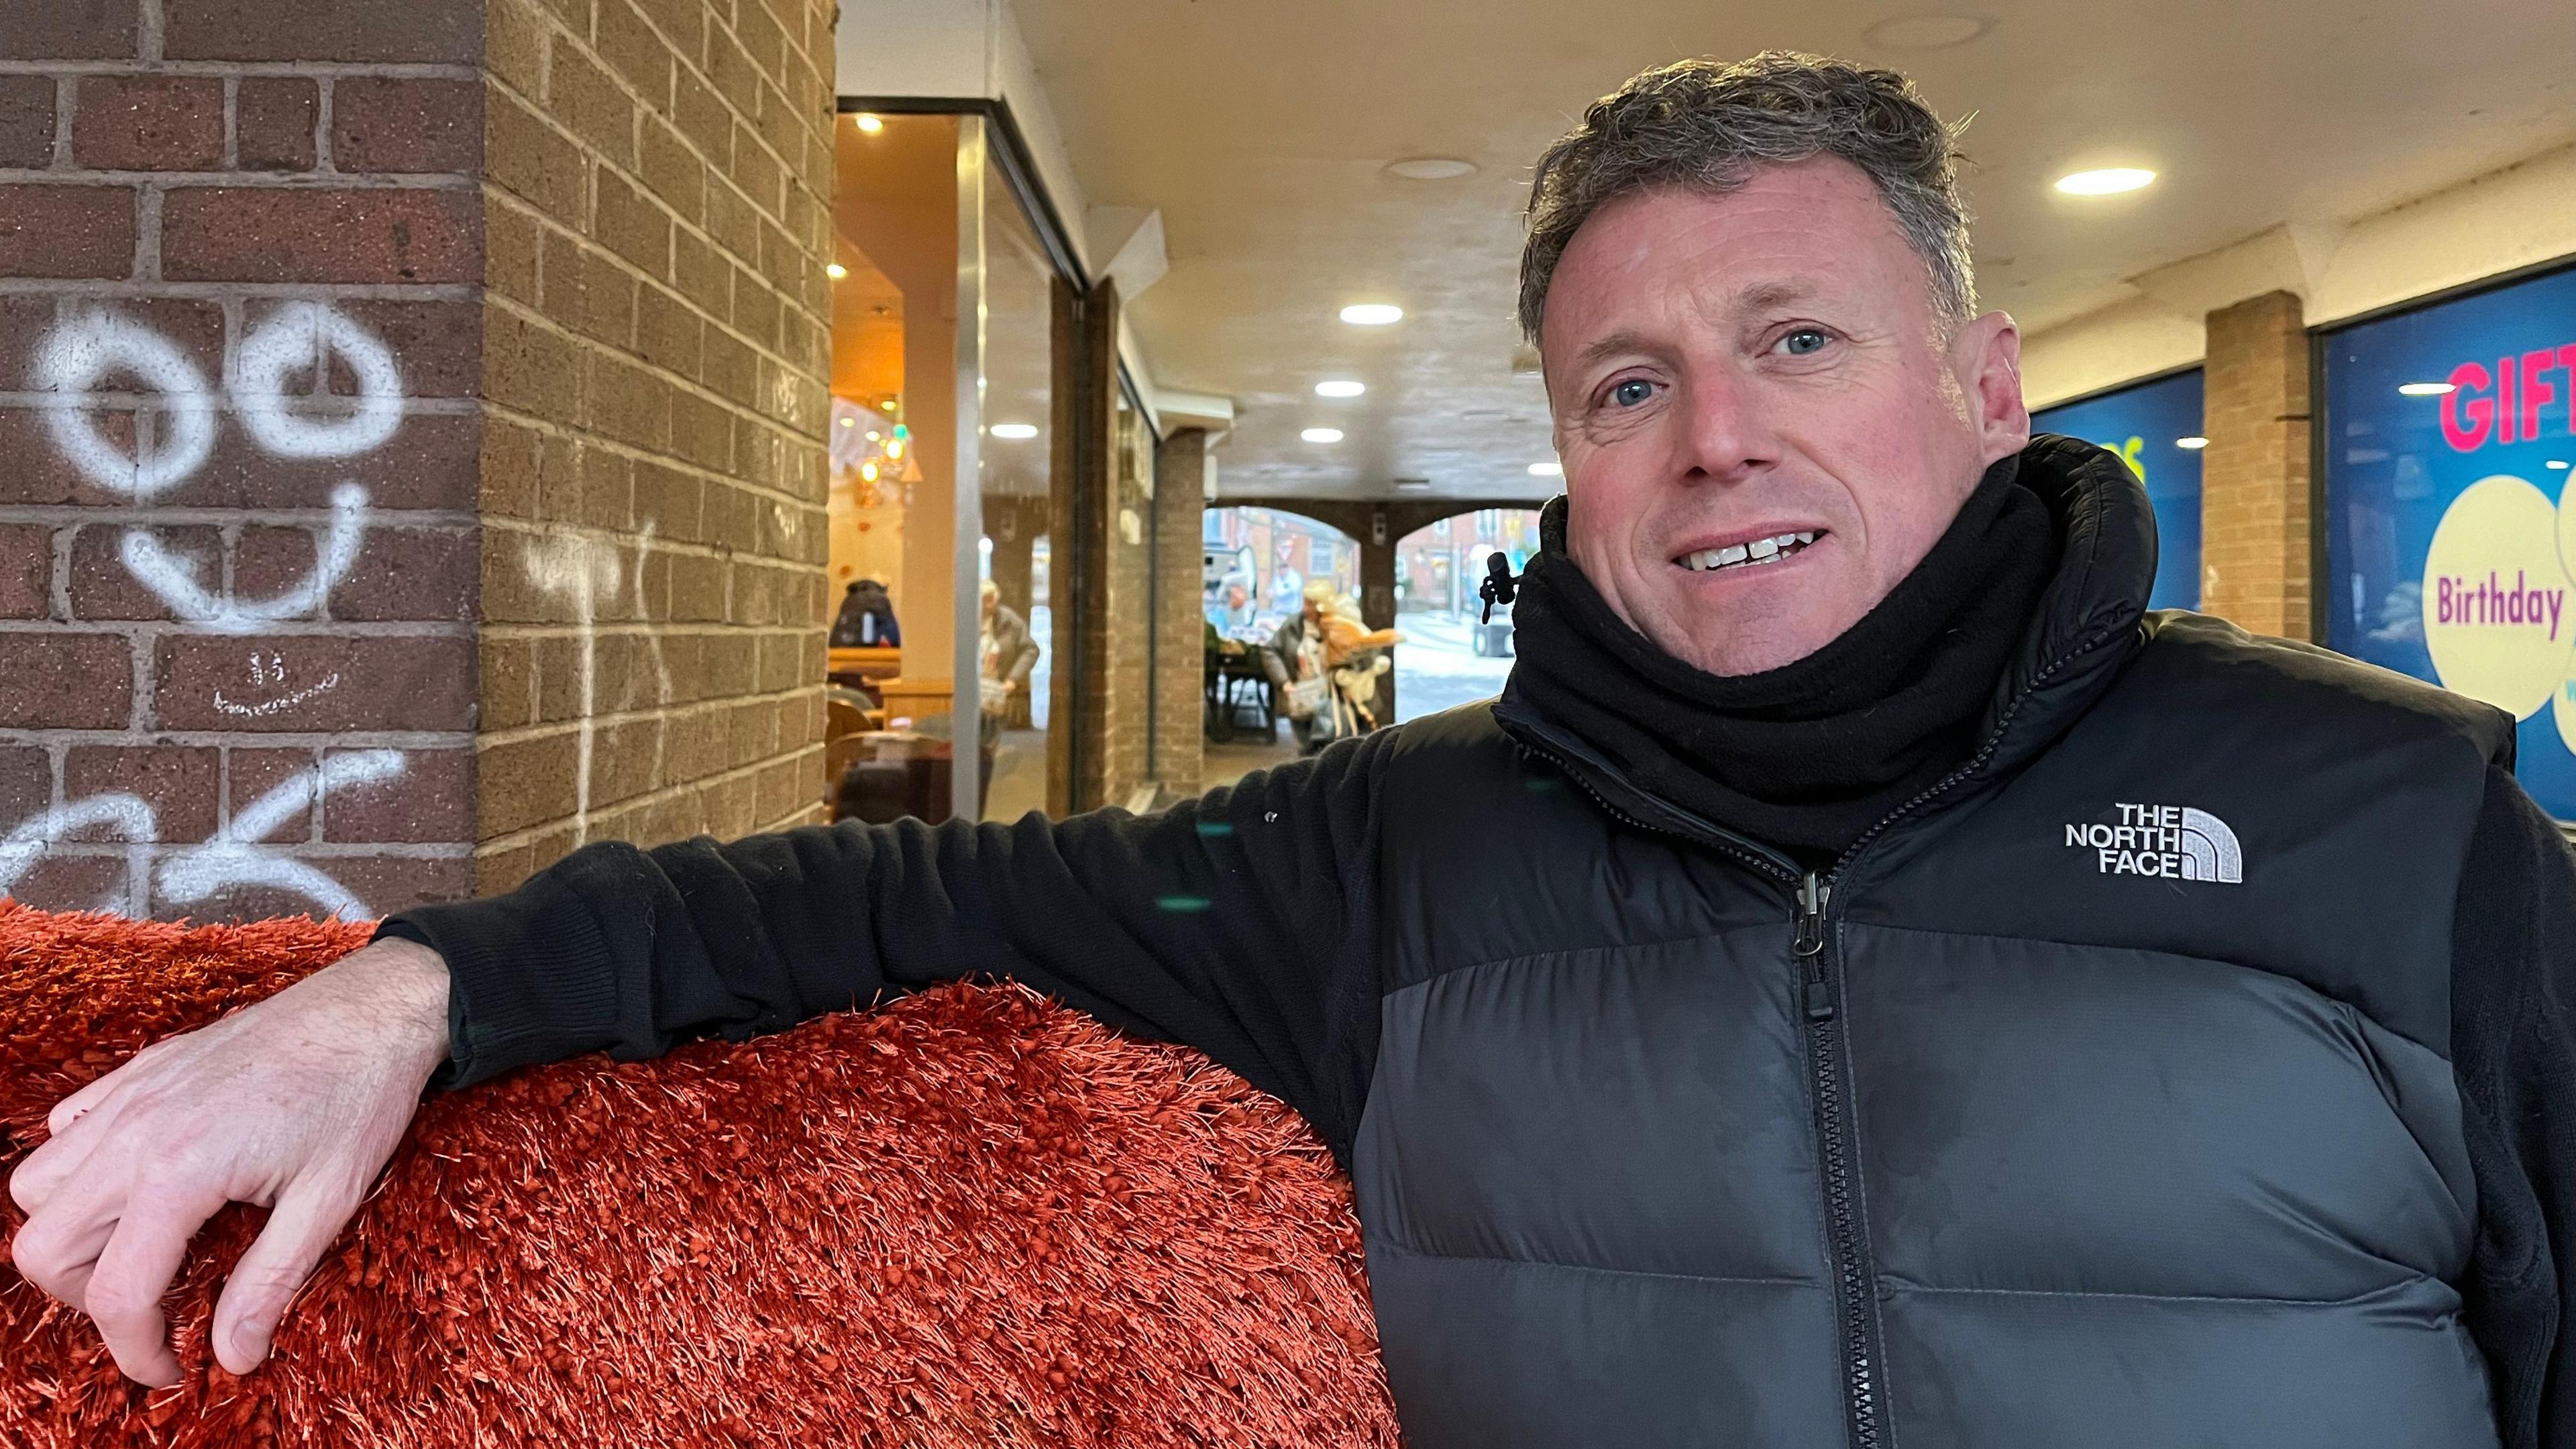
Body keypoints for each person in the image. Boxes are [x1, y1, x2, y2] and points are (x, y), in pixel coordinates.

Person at [15, 52, 2576, 1448]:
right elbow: (867, 906)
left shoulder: (2402, 822)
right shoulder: (1389, 862)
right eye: (1629, 381)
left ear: (1981, 382)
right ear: (1568, 450)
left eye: (1799, 340)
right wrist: (404, 985)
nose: (1719, 435)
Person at [828, 576, 900, 648]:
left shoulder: (849, 600)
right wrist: (894, 643)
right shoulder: (880, 598)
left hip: (843, 646)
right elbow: (887, 625)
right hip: (874, 646)